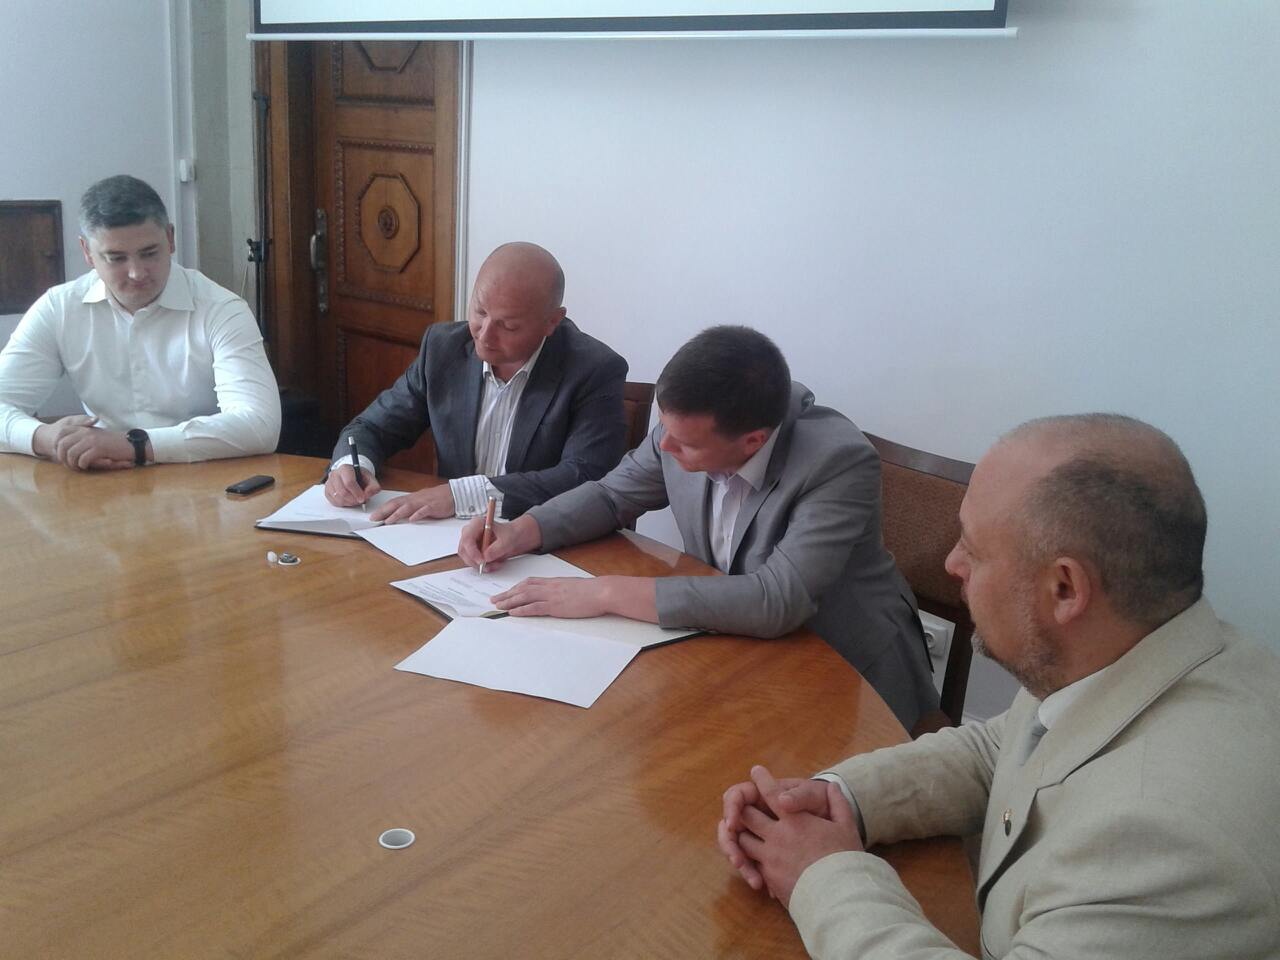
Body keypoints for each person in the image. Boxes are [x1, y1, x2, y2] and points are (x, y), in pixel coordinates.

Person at [717, 414, 1280, 960]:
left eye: (973, 547)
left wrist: (823, 875)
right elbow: (1000, 748)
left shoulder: (1163, 843)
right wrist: (842, 797)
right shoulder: (1129, 651)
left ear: (1065, 589)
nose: (952, 563)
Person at [459, 325, 938, 730]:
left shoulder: (837, 462)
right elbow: (610, 495)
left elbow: (778, 599)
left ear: (753, 441)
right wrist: (521, 530)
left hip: (845, 671)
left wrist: (604, 592)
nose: (664, 447)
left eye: (684, 444)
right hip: (735, 648)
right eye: (663, 429)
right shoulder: (682, 429)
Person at [324, 242, 628, 521]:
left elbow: (585, 477)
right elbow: (372, 427)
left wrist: (463, 496)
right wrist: (351, 466)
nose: (484, 335)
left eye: (508, 325)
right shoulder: (443, 349)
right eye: (480, 311)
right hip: (446, 535)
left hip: (539, 536)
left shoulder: (594, 370)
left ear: (552, 321)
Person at [0, 175, 281, 468]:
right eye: (116, 258)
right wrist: (47, 438)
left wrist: (133, 445)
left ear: (170, 238)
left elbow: (259, 426)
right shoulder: (59, 308)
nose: (136, 273)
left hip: (204, 475)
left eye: (149, 253)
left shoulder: (221, 310)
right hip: (102, 479)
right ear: (87, 252)